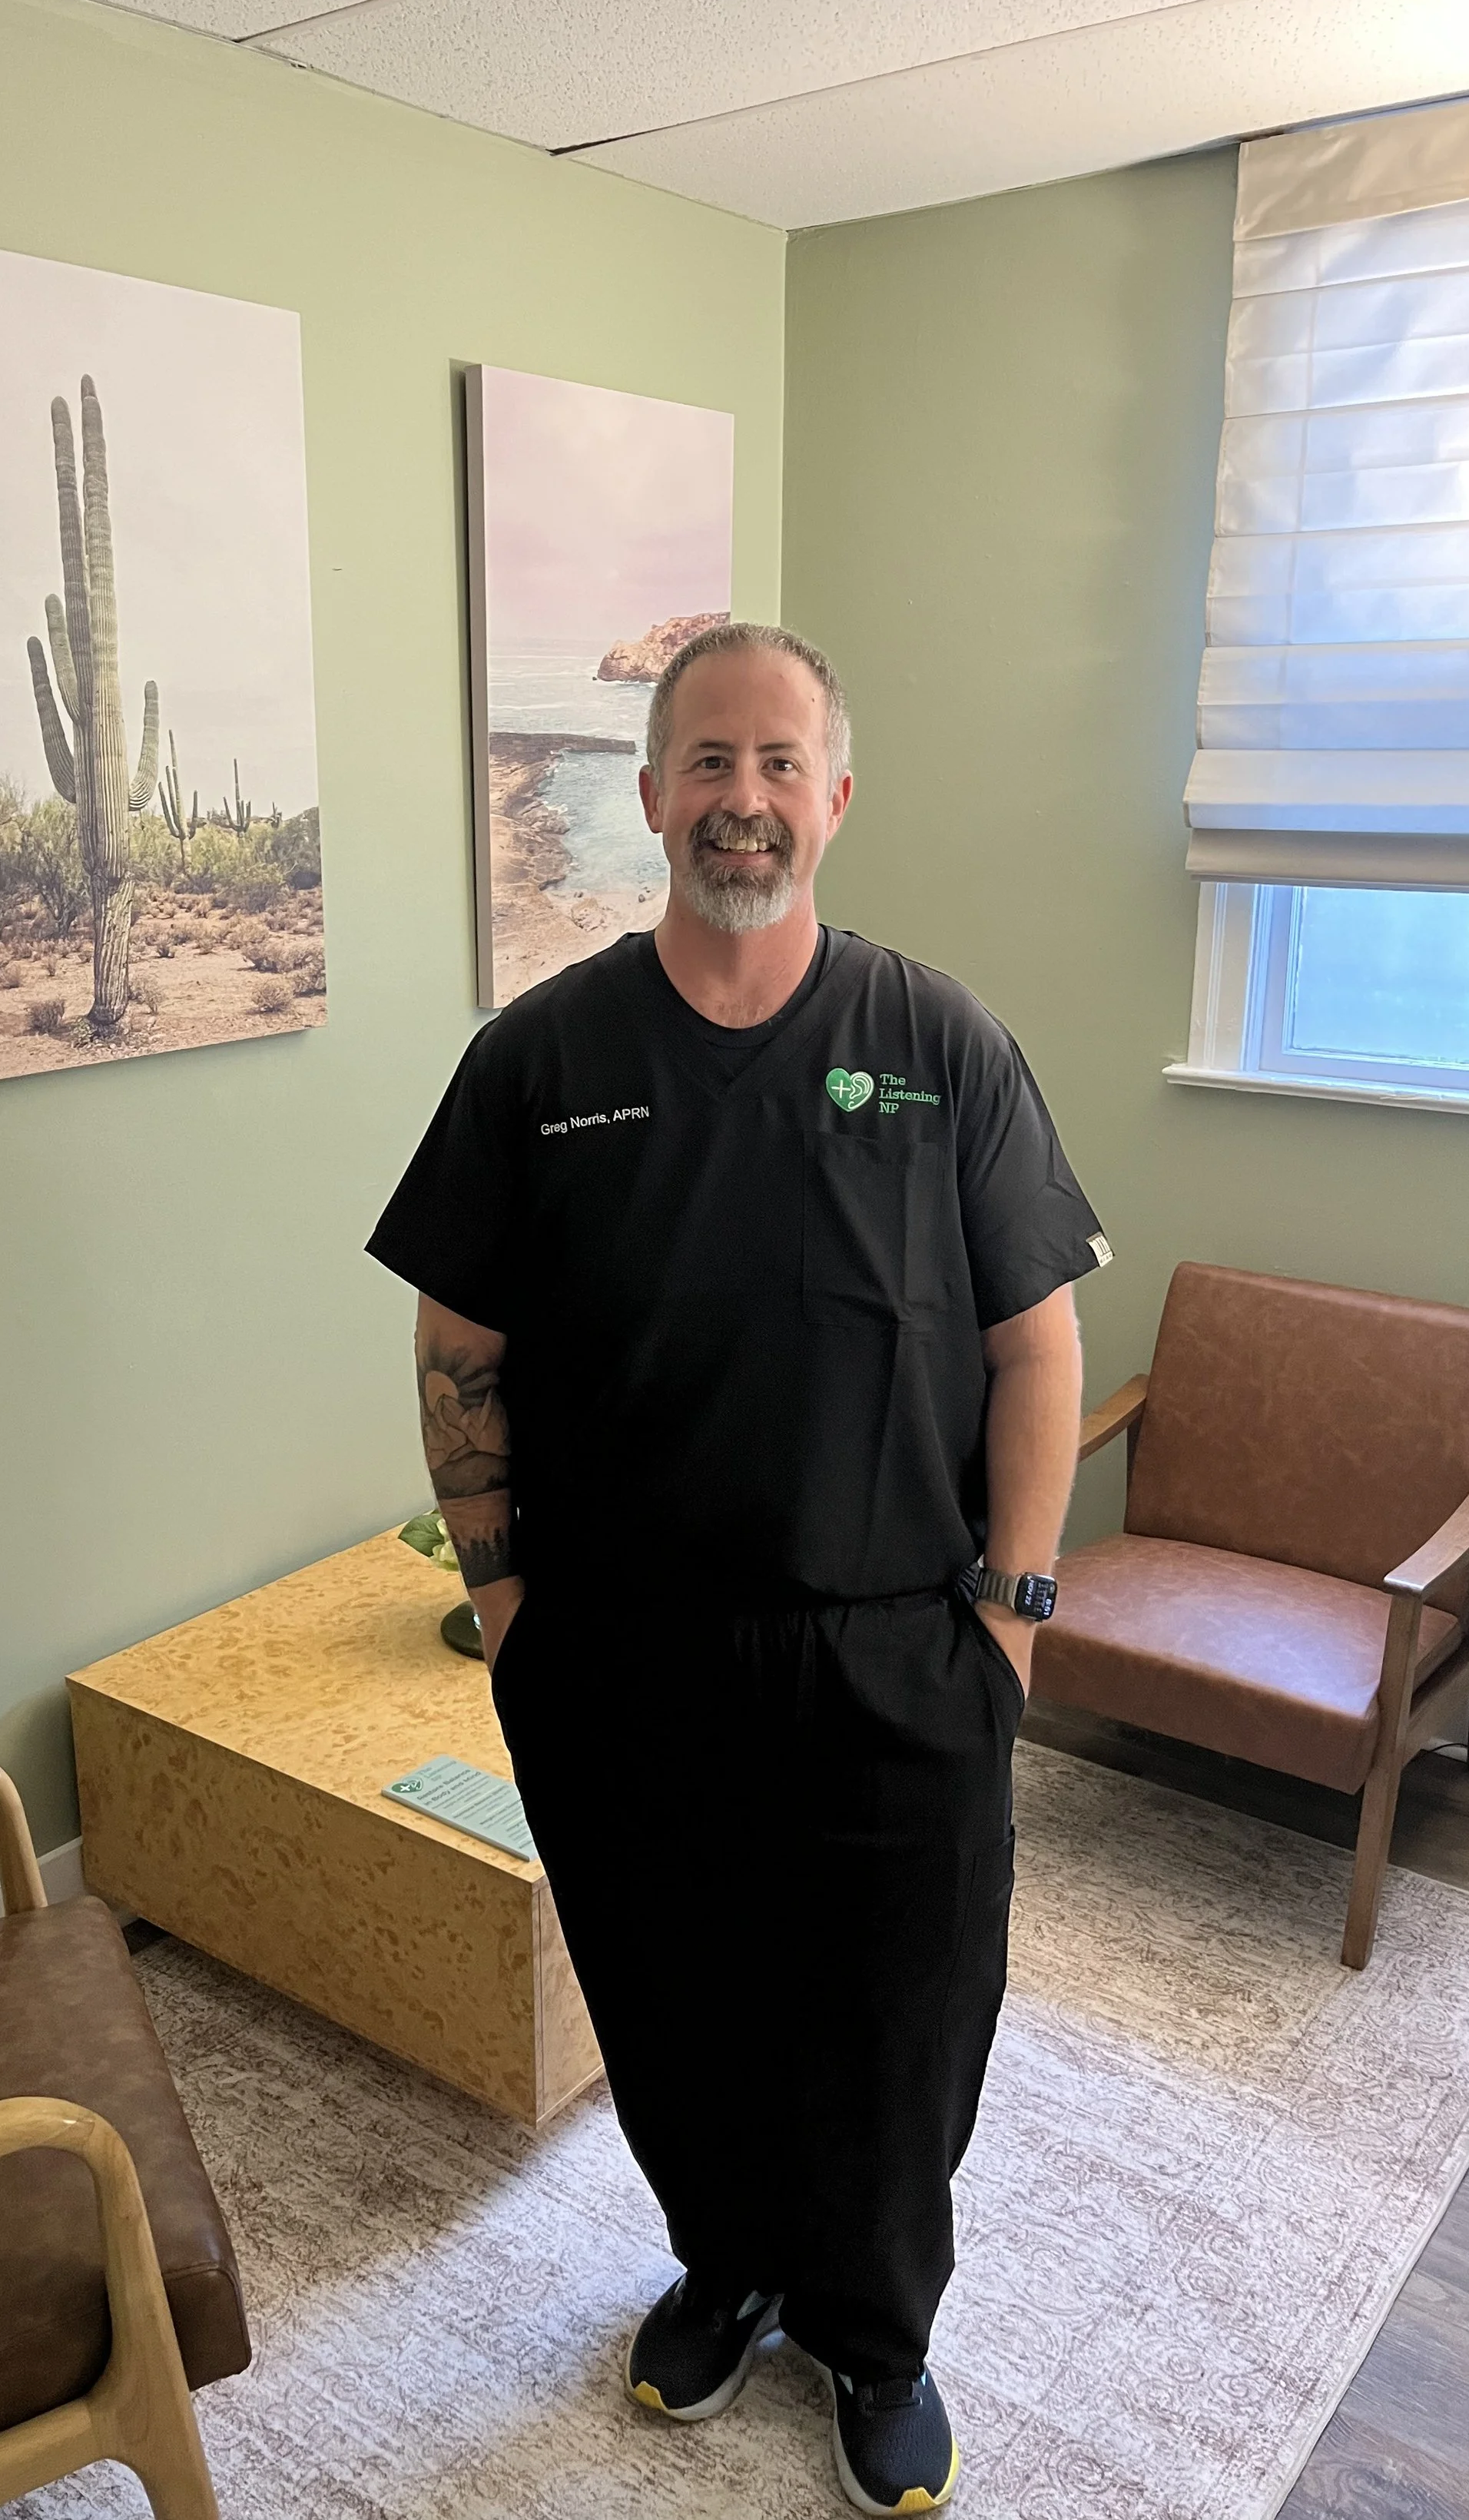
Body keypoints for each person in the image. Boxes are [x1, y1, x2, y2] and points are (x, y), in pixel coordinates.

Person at [366, 622, 1106, 2515]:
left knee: (897, 2011)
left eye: (779, 764)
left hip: (893, 1654)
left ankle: (877, 2333)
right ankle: (726, 2264)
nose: (742, 800)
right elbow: (459, 1341)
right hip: (620, 1659)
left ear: (834, 799)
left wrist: (1013, 1618)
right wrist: (512, 1597)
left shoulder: (938, 1045)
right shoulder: (539, 1059)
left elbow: (1036, 1345)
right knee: (673, 1996)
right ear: (648, 799)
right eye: (707, 762)